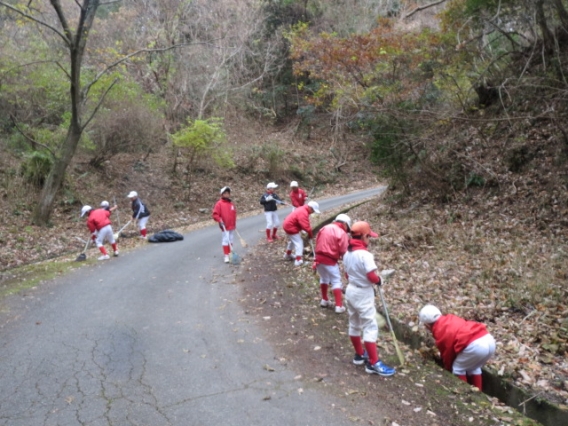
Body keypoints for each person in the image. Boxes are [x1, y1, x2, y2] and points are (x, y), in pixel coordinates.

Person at [344, 221, 395, 377]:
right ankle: (373, 363)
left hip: (350, 290)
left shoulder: (347, 253)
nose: (369, 240)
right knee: (370, 326)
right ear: (364, 236)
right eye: (369, 236)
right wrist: (379, 280)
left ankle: (360, 354)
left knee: (354, 323)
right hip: (362, 293)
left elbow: (346, 274)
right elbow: (372, 276)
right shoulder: (365, 255)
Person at [418, 305, 496, 391]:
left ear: (427, 325)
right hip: (488, 339)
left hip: (475, 346)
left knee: (458, 369)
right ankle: (479, 392)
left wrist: (447, 368)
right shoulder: (450, 318)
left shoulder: (440, 330)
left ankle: (464, 393)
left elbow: (448, 353)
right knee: (473, 367)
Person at [313, 213, 351, 313]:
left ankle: (324, 300)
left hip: (318, 258)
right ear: (345, 224)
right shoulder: (342, 233)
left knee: (324, 278)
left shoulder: (324, 227)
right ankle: (339, 306)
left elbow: (317, 240)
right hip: (330, 260)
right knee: (336, 281)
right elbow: (344, 250)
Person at [282, 200, 320, 267]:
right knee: (299, 243)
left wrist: (306, 230)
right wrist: (310, 234)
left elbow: (304, 223)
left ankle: (288, 255)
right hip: (290, 227)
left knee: (293, 241)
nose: (313, 212)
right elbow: (305, 225)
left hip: (287, 225)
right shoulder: (303, 212)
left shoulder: (303, 209)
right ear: (310, 208)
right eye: (313, 211)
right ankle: (298, 260)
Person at [212, 186, 237, 263]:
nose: (227, 194)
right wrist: (220, 220)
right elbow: (215, 214)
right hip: (224, 225)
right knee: (226, 240)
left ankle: (230, 253)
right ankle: (226, 255)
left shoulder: (231, 203)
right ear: (222, 194)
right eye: (225, 193)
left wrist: (234, 223)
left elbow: (234, 214)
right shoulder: (219, 204)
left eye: (228, 193)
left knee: (231, 239)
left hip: (231, 225)